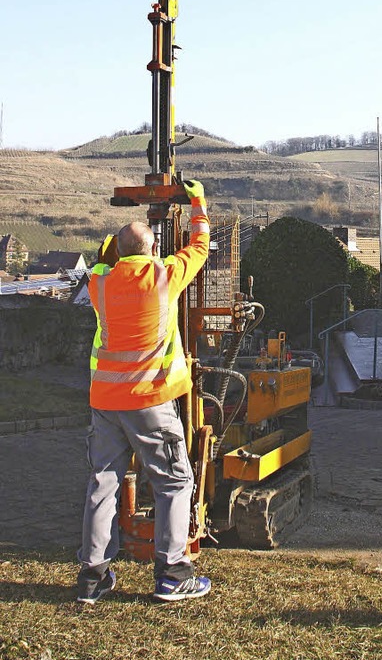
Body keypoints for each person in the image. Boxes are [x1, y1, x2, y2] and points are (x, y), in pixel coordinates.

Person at [77, 179, 211, 604]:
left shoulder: (99, 284)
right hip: (149, 400)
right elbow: (201, 246)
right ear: (154, 251)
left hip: (104, 404)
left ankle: (92, 576)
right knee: (175, 479)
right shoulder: (165, 276)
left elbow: (101, 258)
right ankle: (172, 573)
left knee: (103, 482)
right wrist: (197, 201)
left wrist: (120, 243)